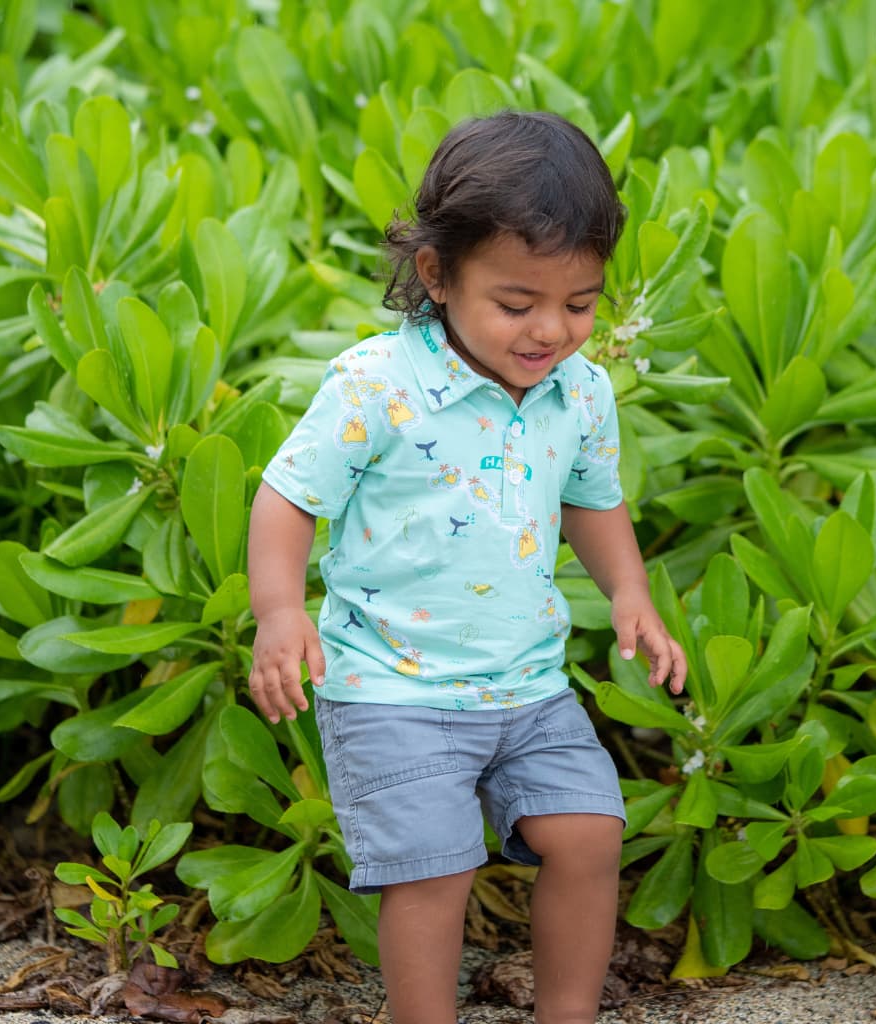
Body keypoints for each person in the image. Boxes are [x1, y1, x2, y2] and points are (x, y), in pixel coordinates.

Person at [247, 110, 687, 1024]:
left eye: (581, 303)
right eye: (518, 304)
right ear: (437, 275)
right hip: (391, 688)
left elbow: (592, 499)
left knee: (590, 832)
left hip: (527, 683)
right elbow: (288, 496)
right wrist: (280, 612)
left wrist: (631, 592)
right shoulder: (377, 385)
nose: (552, 333)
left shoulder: (583, 390)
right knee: (433, 866)